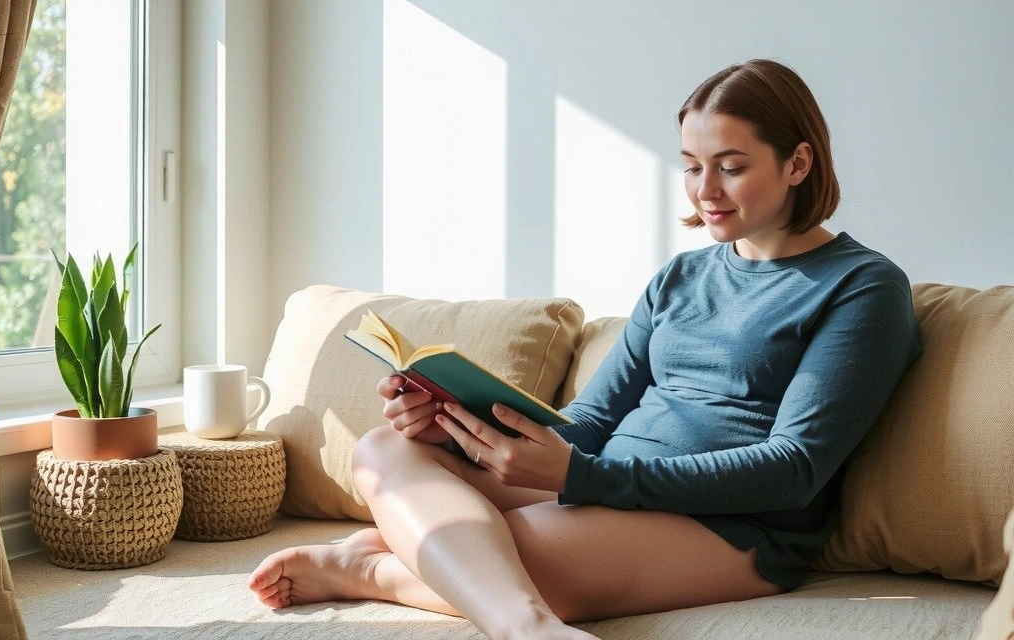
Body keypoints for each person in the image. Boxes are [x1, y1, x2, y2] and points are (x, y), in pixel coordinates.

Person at [248, 58, 922, 640]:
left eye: (732, 167)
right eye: (691, 167)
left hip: (735, 524)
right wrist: (458, 426)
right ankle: (490, 602)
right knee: (384, 450)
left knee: (506, 557)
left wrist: (582, 479)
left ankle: (387, 572)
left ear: (797, 162)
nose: (704, 191)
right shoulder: (680, 278)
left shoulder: (863, 287)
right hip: (604, 490)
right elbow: (592, 425)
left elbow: (794, 468)